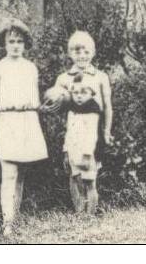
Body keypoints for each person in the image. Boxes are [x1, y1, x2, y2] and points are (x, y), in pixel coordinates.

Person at [0, 18, 49, 236]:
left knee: (20, 174)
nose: (15, 45)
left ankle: (15, 218)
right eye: (11, 41)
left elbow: (35, 99)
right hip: (7, 121)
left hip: (27, 121)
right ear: (4, 43)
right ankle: (7, 223)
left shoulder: (30, 68)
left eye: (19, 41)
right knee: (9, 174)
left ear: (25, 44)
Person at [44, 31, 113, 215]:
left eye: (86, 51)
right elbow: (55, 103)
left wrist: (106, 131)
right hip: (72, 133)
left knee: (90, 177)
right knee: (74, 176)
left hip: (92, 134)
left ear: (93, 52)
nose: (82, 56)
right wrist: (51, 102)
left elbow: (107, 107)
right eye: (77, 51)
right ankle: (79, 212)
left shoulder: (100, 77)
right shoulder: (64, 78)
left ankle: (90, 214)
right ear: (70, 53)